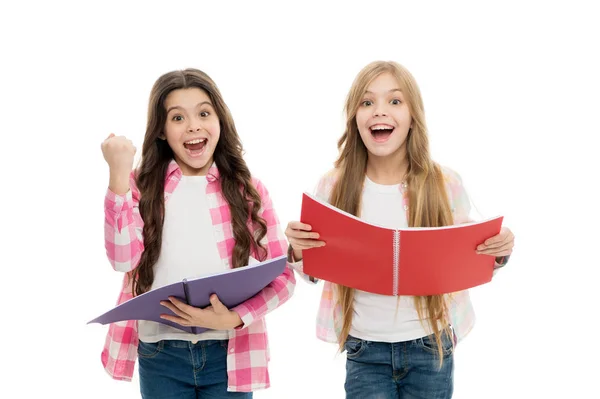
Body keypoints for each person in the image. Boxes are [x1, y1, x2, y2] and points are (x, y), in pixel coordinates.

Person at [284, 60, 514, 399]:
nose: (380, 111)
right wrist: (298, 249)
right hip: (365, 351)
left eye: (394, 101)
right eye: (367, 102)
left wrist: (500, 251)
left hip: (430, 347)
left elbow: (470, 254)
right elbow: (313, 269)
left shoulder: (443, 182)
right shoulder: (333, 186)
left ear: (412, 117)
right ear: (354, 117)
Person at [100, 68, 296, 398]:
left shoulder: (248, 191)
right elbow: (122, 261)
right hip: (160, 353)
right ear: (161, 131)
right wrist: (118, 176)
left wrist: (235, 318)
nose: (193, 125)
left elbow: (283, 277)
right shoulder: (141, 187)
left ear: (219, 120)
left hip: (229, 355)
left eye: (204, 113)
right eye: (177, 118)